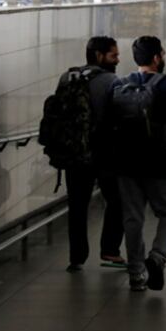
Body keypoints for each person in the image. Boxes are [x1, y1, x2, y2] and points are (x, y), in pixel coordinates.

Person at [111, 36, 166, 292]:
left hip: (126, 163)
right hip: (160, 163)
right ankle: (157, 257)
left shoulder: (119, 85)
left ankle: (135, 274)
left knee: (133, 218)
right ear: (157, 58)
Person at [54, 36, 126, 272]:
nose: (117, 60)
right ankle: (110, 250)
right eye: (113, 55)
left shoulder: (68, 77)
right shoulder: (111, 80)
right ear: (99, 56)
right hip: (104, 151)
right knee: (117, 200)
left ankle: (77, 257)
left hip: (73, 151)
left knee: (77, 205)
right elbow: (119, 116)